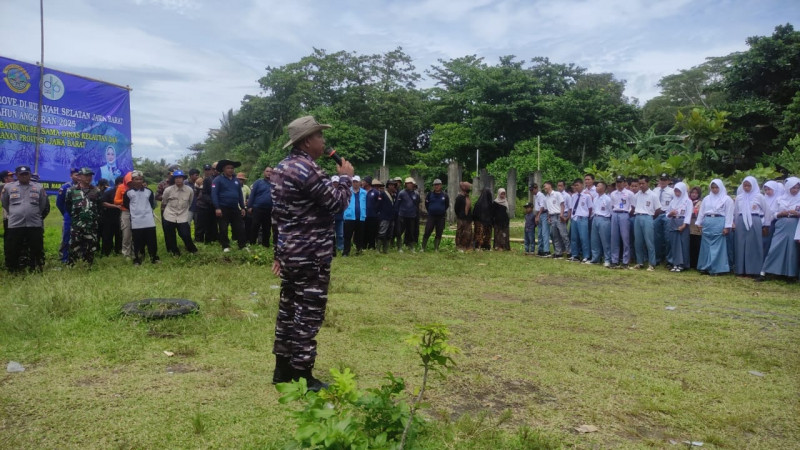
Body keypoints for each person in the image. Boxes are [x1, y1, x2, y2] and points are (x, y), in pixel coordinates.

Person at [270, 115, 353, 391]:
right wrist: (345, 178)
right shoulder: (308, 169)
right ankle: (303, 375)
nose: (323, 141)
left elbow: (278, 216)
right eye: (319, 136)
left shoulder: (282, 168)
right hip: (312, 253)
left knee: (288, 308)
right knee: (308, 313)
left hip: (290, 251)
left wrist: (278, 253)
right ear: (307, 141)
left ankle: (282, 369)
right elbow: (336, 204)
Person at [1, 165, 49, 272]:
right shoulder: (9, 187)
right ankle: (14, 270)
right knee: (14, 247)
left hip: (34, 223)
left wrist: (33, 213)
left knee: (36, 247)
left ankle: (36, 268)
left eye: (26, 174)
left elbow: (42, 204)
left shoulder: (38, 187)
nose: (24, 176)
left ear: (30, 174)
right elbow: (5, 203)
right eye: (21, 174)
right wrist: (14, 212)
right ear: (17, 175)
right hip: (15, 224)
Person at [757, 177, 800, 281]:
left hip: (794, 226)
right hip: (781, 225)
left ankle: (789, 274)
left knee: (791, 250)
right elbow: (773, 214)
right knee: (775, 247)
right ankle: (765, 272)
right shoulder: (780, 199)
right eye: (793, 188)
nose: (795, 190)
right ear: (788, 188)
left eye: (797, 188)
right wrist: (781, 213)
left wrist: (797, 213)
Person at [696, 179, 734, 275]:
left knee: (718, 245)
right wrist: (699, 222)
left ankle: (717, 268)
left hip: (719, 221)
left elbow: (729, 214)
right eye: (712, 187)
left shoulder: (726, 199)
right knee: (706, 245)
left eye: (716, 187)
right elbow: (702, 211)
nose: (714, 190)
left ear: (720, 187)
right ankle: (705, 266)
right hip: (708, 221)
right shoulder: (707, 198)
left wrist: (727, 227)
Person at [733, 176, 769, 277]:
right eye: (745, 185)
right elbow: (736, 211)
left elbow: (767, 211)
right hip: (741, 220)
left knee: (754, 244)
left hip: (755, 219)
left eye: (749, 186)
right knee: (740, 244)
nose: (746, 188)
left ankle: (754, 270)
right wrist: (735, 222)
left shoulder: (759, 196)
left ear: (753, 186)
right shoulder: (740, 197)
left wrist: (766, 224)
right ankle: (741, 269)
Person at [67, 168, 102, 266]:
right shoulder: (72, 190)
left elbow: (99, 206)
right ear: (79, 177)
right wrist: (76, 216)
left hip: (91, 224)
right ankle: (72, 264)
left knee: (90, 244)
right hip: (76, 224)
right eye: (86, 175)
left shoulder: (96, 190)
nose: (88, 178)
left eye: (90, 175)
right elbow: (68, 206)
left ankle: (88, 264)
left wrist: (94, 217)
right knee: (74, 243)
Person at [123, 171, 160, 265]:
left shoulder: (149, 191)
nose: (139, 181)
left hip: (148, 220)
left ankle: (154, 258)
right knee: (137, 241)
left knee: (151, 240)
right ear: (133, 180)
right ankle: (137, 259)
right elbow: (126, 205)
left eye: (140, 179)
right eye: (136, 179)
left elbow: (152, 204)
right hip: (136, 221)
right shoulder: (128, 193)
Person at [212, 159, 247, 252]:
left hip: (235, 207)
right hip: (223, 208)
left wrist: (243, 207)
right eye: (228, 168)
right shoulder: (218, 180)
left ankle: (242, 245)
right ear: (223, 169)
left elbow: (239, 194)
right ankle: (225, 246)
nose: (231, 170)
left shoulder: (236, 181)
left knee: (240, 227)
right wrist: (217, 208)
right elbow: (214, 195)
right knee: (223, 228)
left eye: (232, 168)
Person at [162, 170, 198, 256]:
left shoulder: (189, 190)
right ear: (174, 179)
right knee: (170, 235)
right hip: (169, 215)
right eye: (176, 178)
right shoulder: (168, 190)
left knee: (185, 234)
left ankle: (192, 249)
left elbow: (190, 201)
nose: (178, 180)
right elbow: (164, 201)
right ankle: (175, 252)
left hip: (182, 215)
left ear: (183, 179)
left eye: (180, 178)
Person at [631, 175, 661, 271]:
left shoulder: (653, 195)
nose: (641, 185)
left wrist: (650, 218)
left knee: (649, 242)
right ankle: (640, 262)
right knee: (638, 242)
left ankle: (652, 263)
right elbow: (633, 207)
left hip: (648, 217)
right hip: (638, 217)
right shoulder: (637, 195)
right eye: (640, 183)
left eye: (643, 183)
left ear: (647, 183)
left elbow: (658, 209)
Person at [666, 182, 692, 272]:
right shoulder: (673, 201)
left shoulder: (688, 201)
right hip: (673, 222)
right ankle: (675, 263)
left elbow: (688, 214)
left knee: (683, 244)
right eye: (676, 191)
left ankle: (683, 264)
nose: (677, 193)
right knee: (674, 243)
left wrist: (684, 225)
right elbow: (667, 214)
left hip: (682, 222)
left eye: (679, 191)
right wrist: (670, 213)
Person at [56, 168, 80, 263]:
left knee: (78, 236)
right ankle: (64, 257)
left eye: (79, 175)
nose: (77, 177)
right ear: (71, 176)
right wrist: (66, 213)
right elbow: (59, 203)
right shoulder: (66, 187)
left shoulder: (83, 187)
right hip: (68, 216)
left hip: (79, 216)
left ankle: (76, 255)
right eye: (75, 175)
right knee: (66, 235)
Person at [609, 175, 633, 269]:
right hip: (615, 213)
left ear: (624, 182)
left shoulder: (629, 193)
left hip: (624, 213)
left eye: (620, 182)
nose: (619, 184)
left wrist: (627, 215)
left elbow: (633, 206)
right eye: (617, 182)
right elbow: (611, 205)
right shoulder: (613, 193)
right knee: (614, 238)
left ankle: (625, 261)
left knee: (625, 238)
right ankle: (614, 260)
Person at [248, 167, 275, 248]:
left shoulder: (275, 184)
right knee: (255, 226)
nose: (269, 173)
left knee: (267, 227)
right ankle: (252, 243)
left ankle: (266, 245)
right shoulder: (258, 182)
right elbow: (252, 194)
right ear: (264, 172)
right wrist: (249, 206)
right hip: (257, 208)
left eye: (270, 171)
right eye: (267, 171)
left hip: (269, 209)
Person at [653, 173, 675, 266]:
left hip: (667, 215)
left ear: (668, 181)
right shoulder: (655, 190)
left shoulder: (672, 191)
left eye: (665, 180)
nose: (663, 181)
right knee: (656, 238)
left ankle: (669, 260)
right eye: (661, 179)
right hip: (656, 215)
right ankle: (657, 259)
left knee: (668, 238)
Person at [422, 179, 449, 251]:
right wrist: (431, 210)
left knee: (439, 232)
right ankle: (423, 247)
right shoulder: (430, 194)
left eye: (438, 185)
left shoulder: (445, 195)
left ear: (441, 185)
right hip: (431, 216)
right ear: (433, 186)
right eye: (435, 185)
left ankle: (436, 248)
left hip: (441, 217)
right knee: (427, 231)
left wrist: (441, 210)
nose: (437, 186)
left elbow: (447, 205)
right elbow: (426, 204)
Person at [544, 181, 569, 258]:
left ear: (550, 186)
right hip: (552, 216)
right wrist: (548, 217)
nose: (544, 188)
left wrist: (561, 214)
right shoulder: (546, 197)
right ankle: (558, 252)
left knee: (563, 234)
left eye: (545, 186)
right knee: (554, 235)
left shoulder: (557, 194)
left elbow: (562, 204)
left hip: (558, 215)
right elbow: (548, 209)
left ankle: (569, 252)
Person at [342, 175, 367, 256]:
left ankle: (359, 251)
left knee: (360, 235)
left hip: (360, 217)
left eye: (357, 182)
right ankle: (346, 252)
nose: (355, 183)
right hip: (349, 216)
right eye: (354, 182)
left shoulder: (364, 192)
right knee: (347, 236)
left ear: (360, 183)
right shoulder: (347, 191)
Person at [589, 181, 612, 266]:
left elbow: (611, 211)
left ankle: (607, 259)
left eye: (598, 186)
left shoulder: (608, 199)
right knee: (594, 240)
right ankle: (595, 258)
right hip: (595, 218)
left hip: (604, 219)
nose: (596, 188)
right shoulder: (595, 198)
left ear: (603, 188)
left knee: (605, 241)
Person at [568, 179, 591, 262]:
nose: (576, 187)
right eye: (575, 186)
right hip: (574, 218)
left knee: (583, 238)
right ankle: (575, 255)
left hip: (582, 218)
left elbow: (590, 208)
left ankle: (586, 255)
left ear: (582, 185)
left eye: (577, 185)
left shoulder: (587, 196)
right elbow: (571, 207)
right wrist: (571, 216)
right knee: (574, 238)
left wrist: (586, 216)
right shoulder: (573, 196)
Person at [101, 176, 123, 256]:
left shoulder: (125, 192)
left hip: (120, 218)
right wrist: (115, 206)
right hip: (109, 218)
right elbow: (103, 203)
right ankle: (106, 252)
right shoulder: (109, 192)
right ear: (117, 184)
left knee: (120, 236)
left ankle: (119, 251)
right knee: (107, 236)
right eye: (121, 184)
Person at [195, 164, 218, 244]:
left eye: (209, 169)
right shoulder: (199, 180)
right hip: (201, 205)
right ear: (204, 170)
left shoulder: (214, 179)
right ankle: (199, 241)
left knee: (211, 224)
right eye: (206, 170)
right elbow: (197, 193)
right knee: (200, 225)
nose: (208, 171)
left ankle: (210, 240)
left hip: (211, 206)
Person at [396, 177, 420, 252]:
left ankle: (411, 246)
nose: (409, 185)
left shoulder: (416, 193)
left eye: (410, 183)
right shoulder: (401, 193)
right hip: (402, 215)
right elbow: (398, 204)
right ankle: (399, 247)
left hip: (412, 215)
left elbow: (417, 203)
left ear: (413, 184)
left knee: (411, 231)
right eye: (407, 183)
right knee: (400, 231)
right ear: (405, 184)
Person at [114, 171, 134, 258]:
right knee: (126, 233)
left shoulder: (138, 187)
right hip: (126, 212)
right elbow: (116, 201)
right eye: (129, 182)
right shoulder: (121, 187)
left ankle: (136, 252)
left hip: (137, 212)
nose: (131, 184)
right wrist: (125, 200)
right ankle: (126, 253)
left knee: (137, 233)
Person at [762, 180, 783, 259]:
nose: (767, 192)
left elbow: (776, 212)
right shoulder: (764, 198)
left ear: (775, 189)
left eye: (769, 189)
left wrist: (767, 221)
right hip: (762, 222)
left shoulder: (779, 199)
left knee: (767, 242)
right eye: (766, 190)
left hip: (772, 223)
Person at [374, 179, 395, 253]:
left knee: (389, 234)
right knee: (382, 233)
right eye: (391, 185)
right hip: (384, 216)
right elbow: (378, 205)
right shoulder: (383, 194)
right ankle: (378, 249)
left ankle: (385, 249)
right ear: (388, 186)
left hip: (391, 217)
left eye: (393, 185)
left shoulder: (393, 195)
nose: (392, 186)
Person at [454, 181, 473, 252]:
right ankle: (459, 246)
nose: (469, 188)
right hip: (461, 218)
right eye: (468, 187)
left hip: (468, 218)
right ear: (464, 188)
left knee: (468, 233)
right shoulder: (459, 197)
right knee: (460, 232)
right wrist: (460, 215)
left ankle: (467, 246)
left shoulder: (467, 197)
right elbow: (456, 208)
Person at [532, 183, 549, 257]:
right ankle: (540, 250)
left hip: (543, 214)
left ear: (536, 188)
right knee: (539, 233)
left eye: (532, 190)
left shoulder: (540, 195)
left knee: (544, 233)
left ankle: (546, 250)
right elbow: (537, 208)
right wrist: (536, 216)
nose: (531, 191)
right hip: (539, 214)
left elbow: (542, 207)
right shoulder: (536, 196)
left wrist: (538, 216)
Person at [688, 186, 703, 269]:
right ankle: (690, 262)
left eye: (696, 193)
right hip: (689, 226)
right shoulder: (687, 201)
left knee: (696, 244)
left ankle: (696, 263)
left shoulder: (700, 203)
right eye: (692, 193)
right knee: (689, 245)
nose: (694, 194)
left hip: (696, 226)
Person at [363, 176, 379, 249]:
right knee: (363, 231)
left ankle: (372, 246)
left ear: (368, 183)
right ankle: (363, 245)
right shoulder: (361, 191)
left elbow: (378, 203)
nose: (362, 182)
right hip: (363, 215)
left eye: (364, 181)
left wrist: (376, 212)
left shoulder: (375, 192)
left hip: (372, 215)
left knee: (372, 231)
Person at [331, 176, 345, 254]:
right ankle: (332, 249)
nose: (335, 184)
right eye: (334, 182)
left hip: (340, 216)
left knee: (340, 234)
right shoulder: (328, 192)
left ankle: (340, 247)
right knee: (331, 234)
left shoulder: (341, 192)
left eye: (336, 182)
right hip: (331, 217)